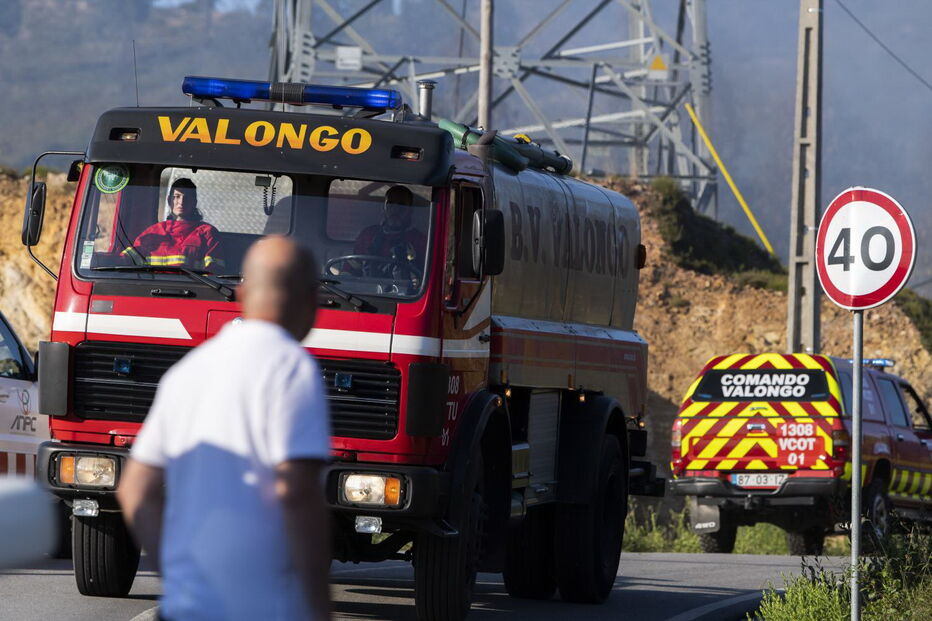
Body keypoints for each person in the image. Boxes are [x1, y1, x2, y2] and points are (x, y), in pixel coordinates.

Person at [117, 236, 332, 621]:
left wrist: (179, 576)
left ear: (240, 292)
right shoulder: (291, 367)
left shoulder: (186, 372)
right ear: (313, 298)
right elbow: (296, 493)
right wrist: (318, 609)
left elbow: (135, 489)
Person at [122, 178, 224, 270]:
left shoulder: (207, 233)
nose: (181, 202)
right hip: (153, 288)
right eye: (177, 196)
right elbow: (127, 262)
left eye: (187, 197)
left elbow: (213, 273)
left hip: (190, 290)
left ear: (194, 202)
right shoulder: (153, 231)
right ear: (169, 200)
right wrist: (107, 262)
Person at [352, 185, 427, 272]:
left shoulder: (420, 240)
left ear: (410, 210)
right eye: (390, 204)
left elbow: (423, 274)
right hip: (369, 284)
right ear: (383, 208)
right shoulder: (368, 234)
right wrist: (345, 275)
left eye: (401, 206)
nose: (395, 210)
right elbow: (353, 265)